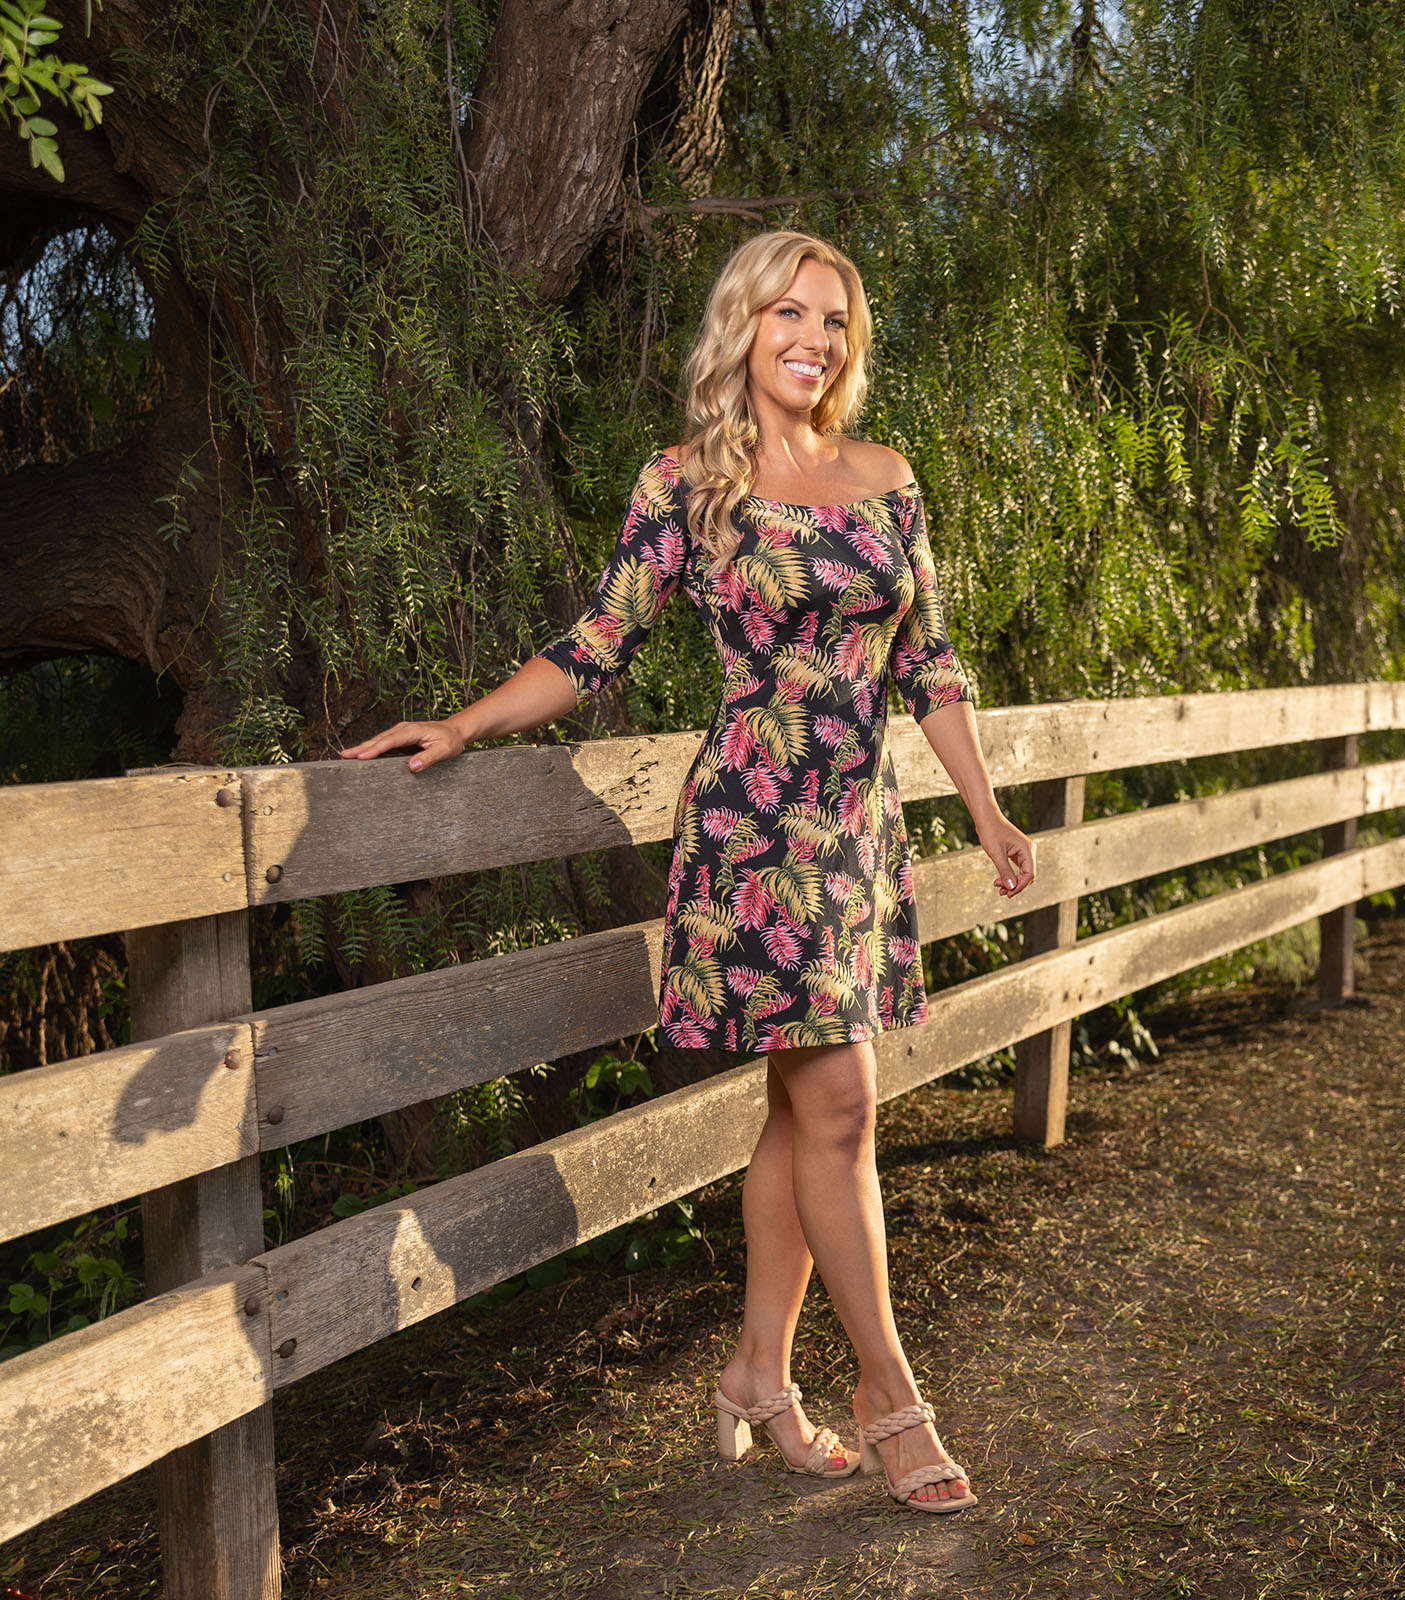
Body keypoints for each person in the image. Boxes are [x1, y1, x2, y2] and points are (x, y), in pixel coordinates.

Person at [341, 230, 1035, 1513]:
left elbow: (927, 663)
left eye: (834, 319)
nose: (814, 338)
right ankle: (890, 1396)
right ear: (743, 326)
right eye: (789, 313)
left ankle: (757, 1374)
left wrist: (985, 808)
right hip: (752, 832)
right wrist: (467, 722)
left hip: (854, 832)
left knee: (799, 1111)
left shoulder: (888, 478)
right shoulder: (687, 484)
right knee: (840, 1103)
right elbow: (597, 641)